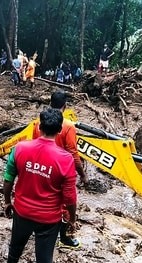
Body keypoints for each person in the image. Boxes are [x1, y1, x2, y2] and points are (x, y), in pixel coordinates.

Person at [1, 108, 78, 263]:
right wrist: (72, 218)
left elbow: (8, 179)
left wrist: (7, 201)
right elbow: (70, 197)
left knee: (16, 244)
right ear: (60, 130)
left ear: (39, 127)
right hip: (48, 219)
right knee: (44, 256)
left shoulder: (20, 149)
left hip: (22, 211)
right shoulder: (66, 159)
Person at [32, 91, 88, 249]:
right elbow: (73, 153)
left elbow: (35, 145)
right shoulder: (68, 126)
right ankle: (64, 237)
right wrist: (82, 174)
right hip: (61, 170)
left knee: (42, 198)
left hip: (42, 167)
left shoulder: (38, 123)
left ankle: (40, 229)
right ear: (65, 106)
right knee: (65, 204)